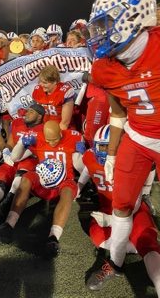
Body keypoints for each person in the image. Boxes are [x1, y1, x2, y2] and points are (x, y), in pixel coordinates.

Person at [86, 0, 160, 290]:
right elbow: (117, 112)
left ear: (133, 16)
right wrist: (113, 153)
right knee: (121, 205)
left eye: (106, 24)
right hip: (137, 137)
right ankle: (114, 261)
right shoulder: (103, 68)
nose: (100, 34)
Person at [77, 125, 160, 295]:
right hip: (107, 208)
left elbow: (133, 203)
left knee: (148, 246)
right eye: (102, 146)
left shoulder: (131, 162)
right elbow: (87, 170)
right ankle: (126, 253)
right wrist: (78, 185)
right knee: (97, 236)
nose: (106, 151)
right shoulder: (90, 157)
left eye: (111, 146)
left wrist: (110, 220)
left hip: (133, 211)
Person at [0, 120, 84, 258]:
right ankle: (8, 225)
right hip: (43, 180)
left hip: (64, 182)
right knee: (26, 177)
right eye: (48, 140)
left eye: (55, 139)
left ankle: (53, 238)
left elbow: (81, 168)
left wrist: (80, 155)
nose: (51, 143)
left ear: (61, 133)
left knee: (68, 191)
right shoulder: (37, 138)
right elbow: (15, 157)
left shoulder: (73, 137)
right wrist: (22, 143)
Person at [32, 64, 75, 130]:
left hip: (59, 129)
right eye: (40, 82)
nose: (41, 85)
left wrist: (54, 136)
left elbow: (65, 123)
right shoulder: (38, 90)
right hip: (43, 127)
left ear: (55, 82)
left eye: (45, 83)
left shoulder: (64, 92)